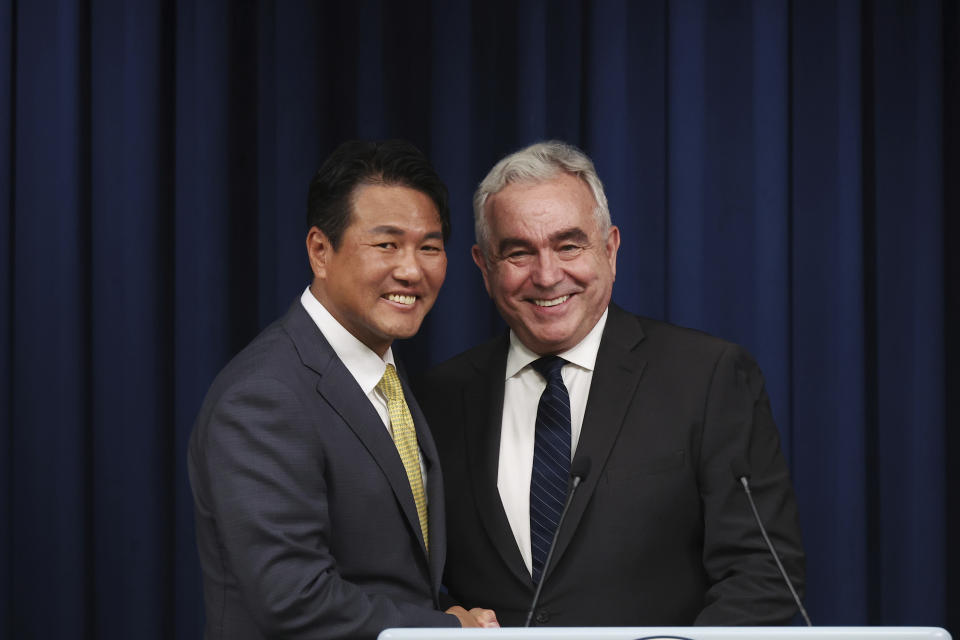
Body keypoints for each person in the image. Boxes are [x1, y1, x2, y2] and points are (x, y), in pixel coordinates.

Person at [417, 140, 806, 627]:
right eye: (519, 252)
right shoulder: (437, 398)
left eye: (568, 245)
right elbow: (409, 574)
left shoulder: (707, 376)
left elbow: (764, 573)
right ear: (484, 267)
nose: (547, 274)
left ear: (610, 248)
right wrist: (443, 616)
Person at [188, 140, 497, 639]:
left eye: (430, 247)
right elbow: (294, 600)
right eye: (386, 244)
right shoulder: (265, 396)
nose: (412, 270)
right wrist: (444, 630)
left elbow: (394, 576)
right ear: (320, 251)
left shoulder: (385, 377)